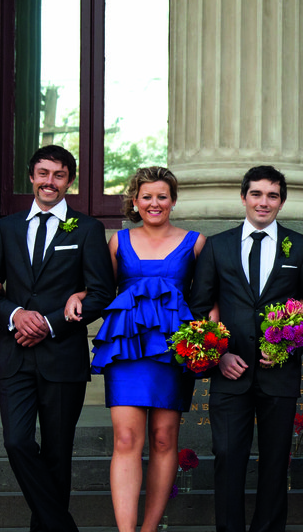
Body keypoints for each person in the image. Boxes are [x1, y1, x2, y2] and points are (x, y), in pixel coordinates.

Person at [0, 145, 116, 532]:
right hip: (15, 356)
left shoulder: (87, 229)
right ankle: (62, 526)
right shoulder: (6, 227)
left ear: (69, 180)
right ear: (31, 177)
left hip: (62, 355)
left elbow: (102, 294)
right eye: (43, 173)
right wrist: (16, 316)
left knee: (58, 455)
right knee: (17, 442)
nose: (49, 182)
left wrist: (51, 323)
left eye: (58, 175)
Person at [63, 167, 204, 532]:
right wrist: (79, 295)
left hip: (173, 348)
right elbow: (100, 289)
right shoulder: (117, 242)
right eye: (147, 196)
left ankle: (149, 528)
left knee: (163, 437)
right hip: (126, 347)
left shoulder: (196, 242)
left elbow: (207, 299)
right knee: (126, 437)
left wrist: (208, 340)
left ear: (173, 200)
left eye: (162, 196)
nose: (154, 203)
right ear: (135, 201)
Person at [188, 165, 303, 532]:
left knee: (275, 461)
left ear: (281, 201)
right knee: (227, 457)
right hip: (229, 374)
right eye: (256, 194)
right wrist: (219, 356)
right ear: (243, 197)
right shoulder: (217, 246)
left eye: (272, 196)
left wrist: (286, 349)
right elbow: (199, 308)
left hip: (278, 374)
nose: (263, 202)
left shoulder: (300, 247)